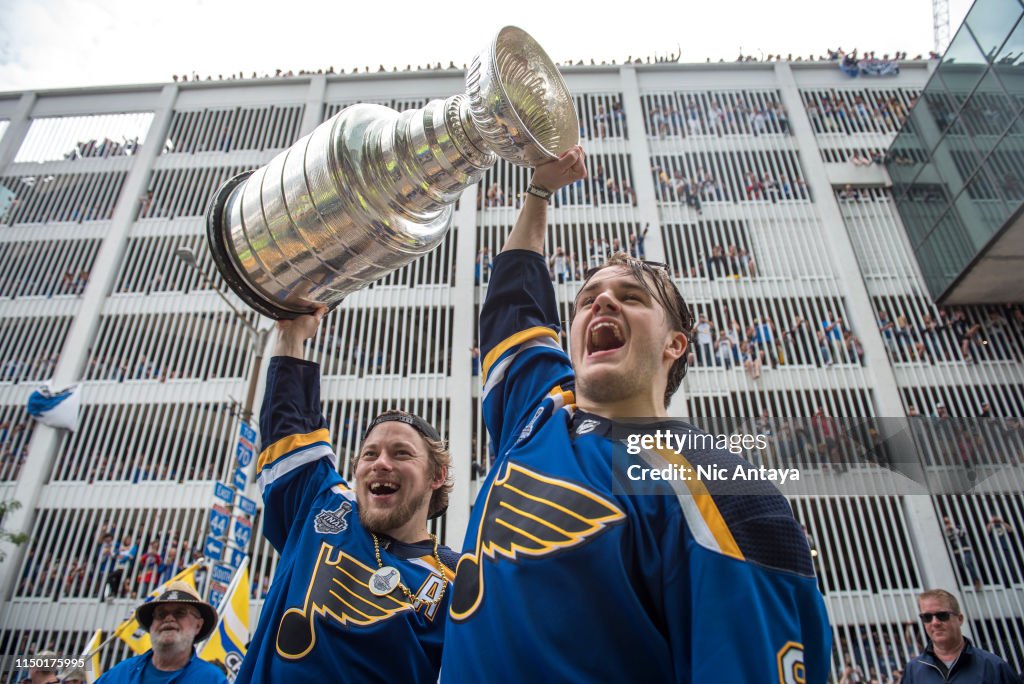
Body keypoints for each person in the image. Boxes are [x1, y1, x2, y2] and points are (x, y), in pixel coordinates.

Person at [440, 146, 830, 682]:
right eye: (587, 299)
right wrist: (538, 193)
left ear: (675, 344)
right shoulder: (541, 407)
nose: (601, 303)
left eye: (631, 297)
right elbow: (515, 304)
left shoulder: (722, 484)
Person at [236, 308, 458, 683]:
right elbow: (286, 426)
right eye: (369, 454)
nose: (380, 463)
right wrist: (291, 334)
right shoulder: (324, 506)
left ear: (436, 475)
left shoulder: (458, 579)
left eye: (401, 453)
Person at [96, 581, 226, 683]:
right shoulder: (121, 673)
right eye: (161, 613)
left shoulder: (212, 679)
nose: (169, 618)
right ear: (152, 625)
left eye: (180, 612)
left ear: (198, 625)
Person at [901, 589, 1018, 682]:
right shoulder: (913, 670)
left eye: (942, 615)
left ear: (960, 619)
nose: (935, 622)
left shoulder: (994, 667)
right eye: (927, 617)